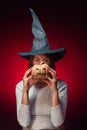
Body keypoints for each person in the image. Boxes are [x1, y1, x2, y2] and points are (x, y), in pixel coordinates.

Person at [16, 8, 68, 130]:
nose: (40, 65)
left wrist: (54, 90)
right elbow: (23, 122)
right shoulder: (20, 86)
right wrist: (25, 91)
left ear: (51, 64)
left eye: (45, 60)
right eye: (37, 60)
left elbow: (58, 123)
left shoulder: (61, 85)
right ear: (31, 64)